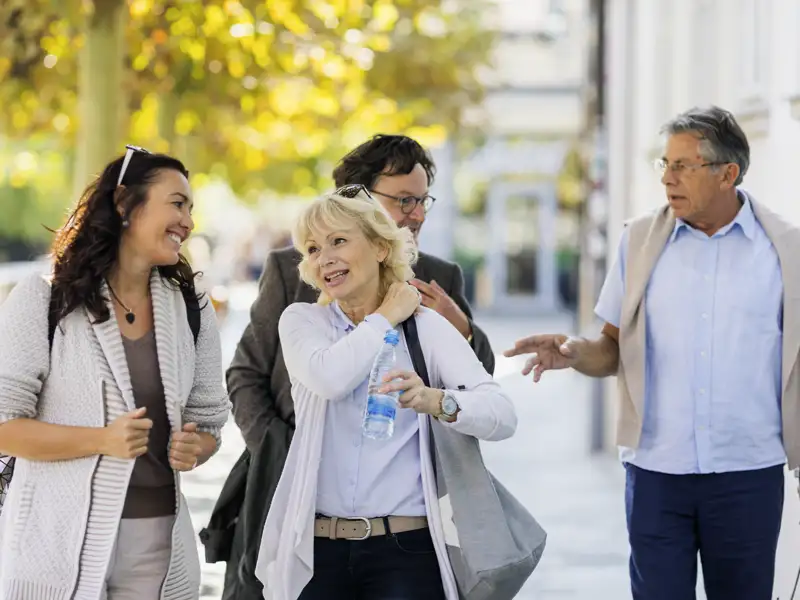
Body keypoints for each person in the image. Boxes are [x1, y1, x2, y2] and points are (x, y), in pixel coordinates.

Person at [504, 106, 800, 600]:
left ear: (728, 174)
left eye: (684, 165)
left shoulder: (785, 251)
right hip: (656, 474)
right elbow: (612, 349)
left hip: (748, 473)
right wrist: (575, 352)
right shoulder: (639, 240)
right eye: (664, 164)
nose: (668, 178)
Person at [203, 134, 495, 600]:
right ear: (355, 200)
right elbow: (245, 375)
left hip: (400, 520)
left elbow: (476, 390)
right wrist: (281, 448)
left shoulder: (441, 276)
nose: (416, 214)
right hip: (292, 493)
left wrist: (462, 328)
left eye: (422, 201)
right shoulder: (291, 272)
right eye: (402, 200)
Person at [254, 188, 516, 599]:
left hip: (407, 553)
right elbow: (329, 378)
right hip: (318, 552)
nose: (325, 258)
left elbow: (502, 414)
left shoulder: (425, 328)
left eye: (338, 241)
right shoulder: (303, 321)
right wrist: (386, 315)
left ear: (379, 248)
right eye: (313, 249)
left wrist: (439, 401)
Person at [0, 146, 230, 600]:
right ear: (125, 204)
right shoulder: (42, 299)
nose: (188, 221)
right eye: (177, 203)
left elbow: (209, 424)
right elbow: (4, 427)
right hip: (53, 544)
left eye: (191, 209)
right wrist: (101, 440)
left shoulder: (192, 306)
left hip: (158, 546)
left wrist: (196, 447)